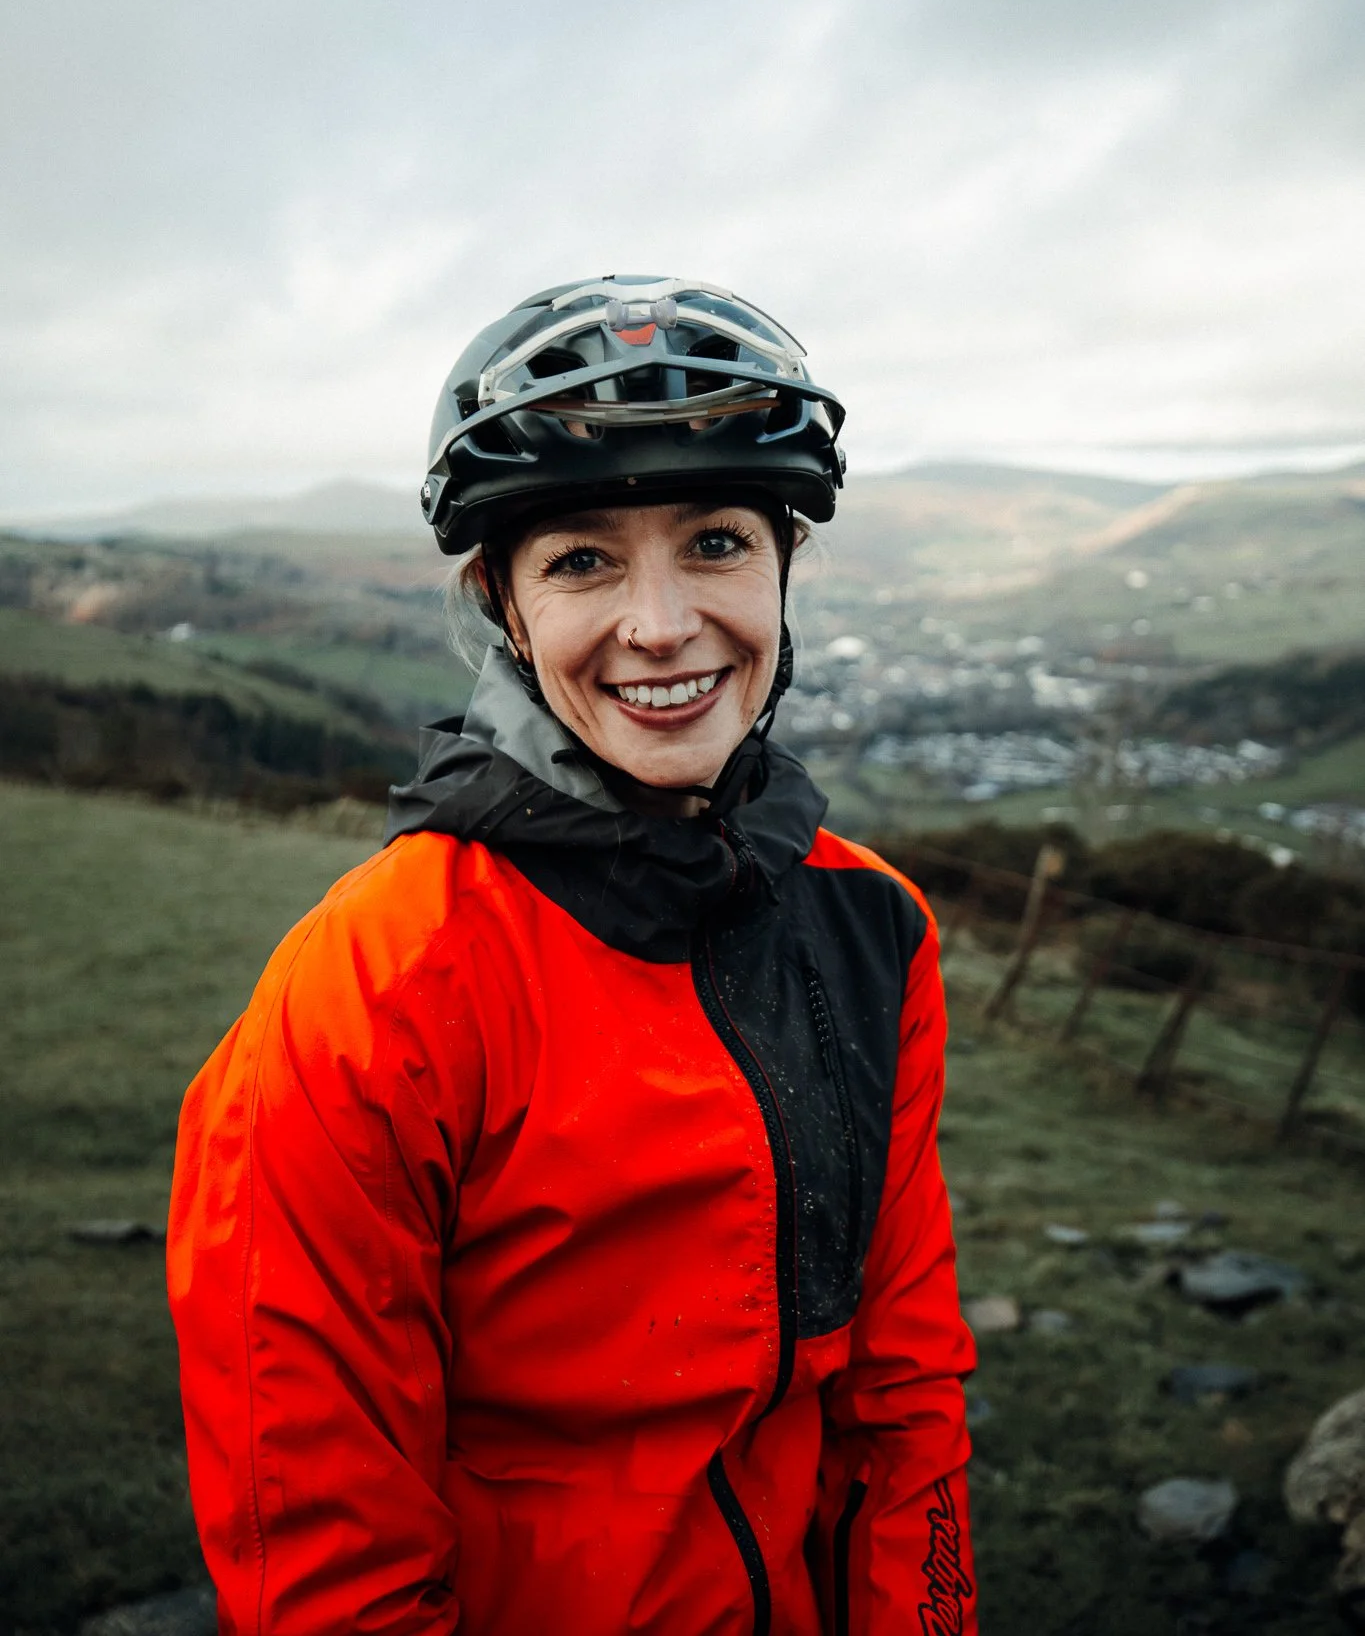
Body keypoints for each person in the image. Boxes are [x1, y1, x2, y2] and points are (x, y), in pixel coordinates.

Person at [168, 276, 977, 1636]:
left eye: (716, 541)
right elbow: (320, 1544)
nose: (661, 624)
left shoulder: (871, 920)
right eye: (583, 561)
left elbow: (905, 1390)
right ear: (503, 603)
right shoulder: (373, 985)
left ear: (785, 565)